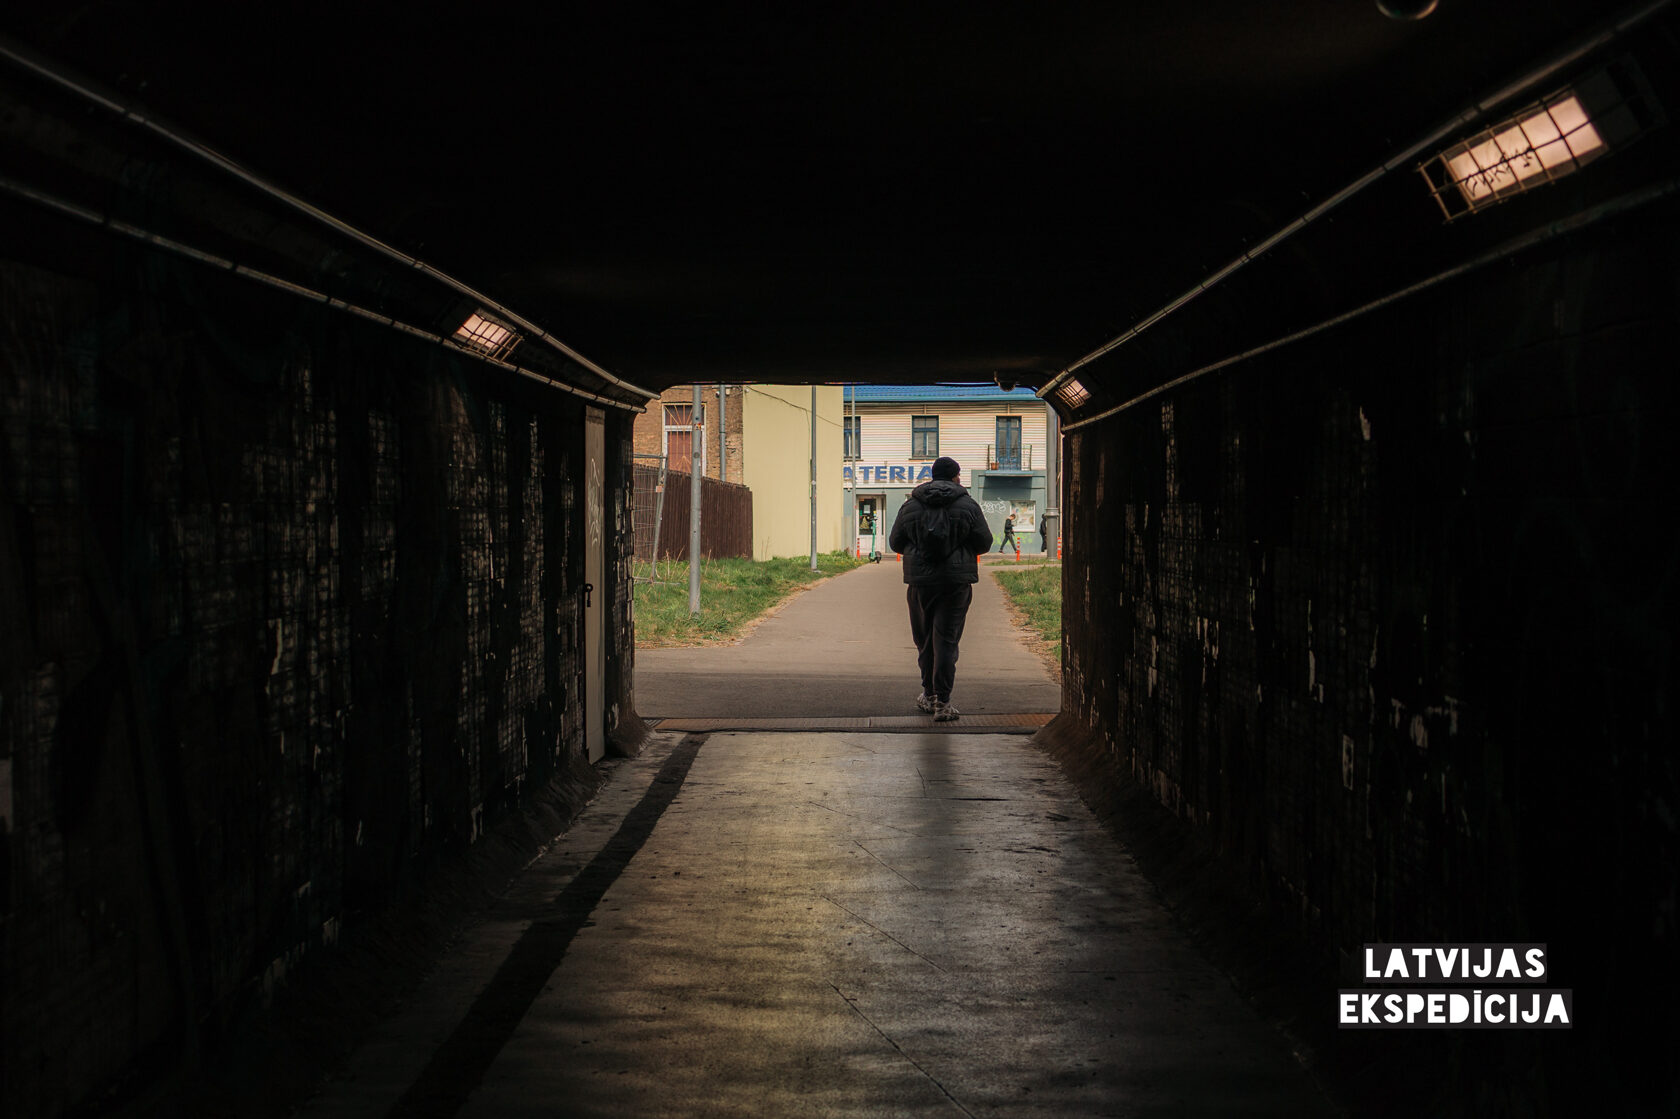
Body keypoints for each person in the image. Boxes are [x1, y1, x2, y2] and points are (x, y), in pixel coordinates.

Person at [888, 456, 993, 721]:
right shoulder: (968, 505)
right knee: (946, 640)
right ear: (956, 476)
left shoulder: (911, 505)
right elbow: (984, 542)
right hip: (955, 583)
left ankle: (929, 694)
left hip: (920, 583)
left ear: (933, 475)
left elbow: (895, 542)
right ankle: (943, 703)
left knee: (925, 641)